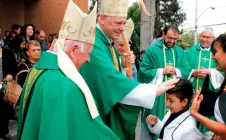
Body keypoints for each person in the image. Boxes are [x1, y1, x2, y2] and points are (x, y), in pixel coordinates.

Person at [17, 1, 119, 139]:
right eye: (88, 53)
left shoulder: (40, 70)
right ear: (73, 50)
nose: (88, 59)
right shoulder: (64, 85)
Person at [80, 1, 180, 139]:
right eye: (118, 23)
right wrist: (153, 90)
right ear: (102, 18)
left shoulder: (106, 43)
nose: (122, 28)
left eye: (124, 23)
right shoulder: (93, 42)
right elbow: (111, 81)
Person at [137, 25, 191, 140]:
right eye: (169, 38)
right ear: (163, 35)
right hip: (158, 98)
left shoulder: (180, 51)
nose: (172, 41)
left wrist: (176, 70)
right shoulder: (152, 50)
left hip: (175, 96)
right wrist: (161, 71)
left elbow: (187, 69)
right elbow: (143, 72)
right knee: (151, 123)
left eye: (175, 39)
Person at [185, 27, 224, 139]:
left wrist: (210, 72)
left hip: (210, 95)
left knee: (206, 127)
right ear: (199, 36)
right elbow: (183, 68)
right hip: (191, 93)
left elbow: (225, 71)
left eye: (208, 37)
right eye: (203, 36)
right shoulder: (189, 52)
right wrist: (193, 72)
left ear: (213, 38)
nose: (205, 39)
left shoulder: (219, 53)